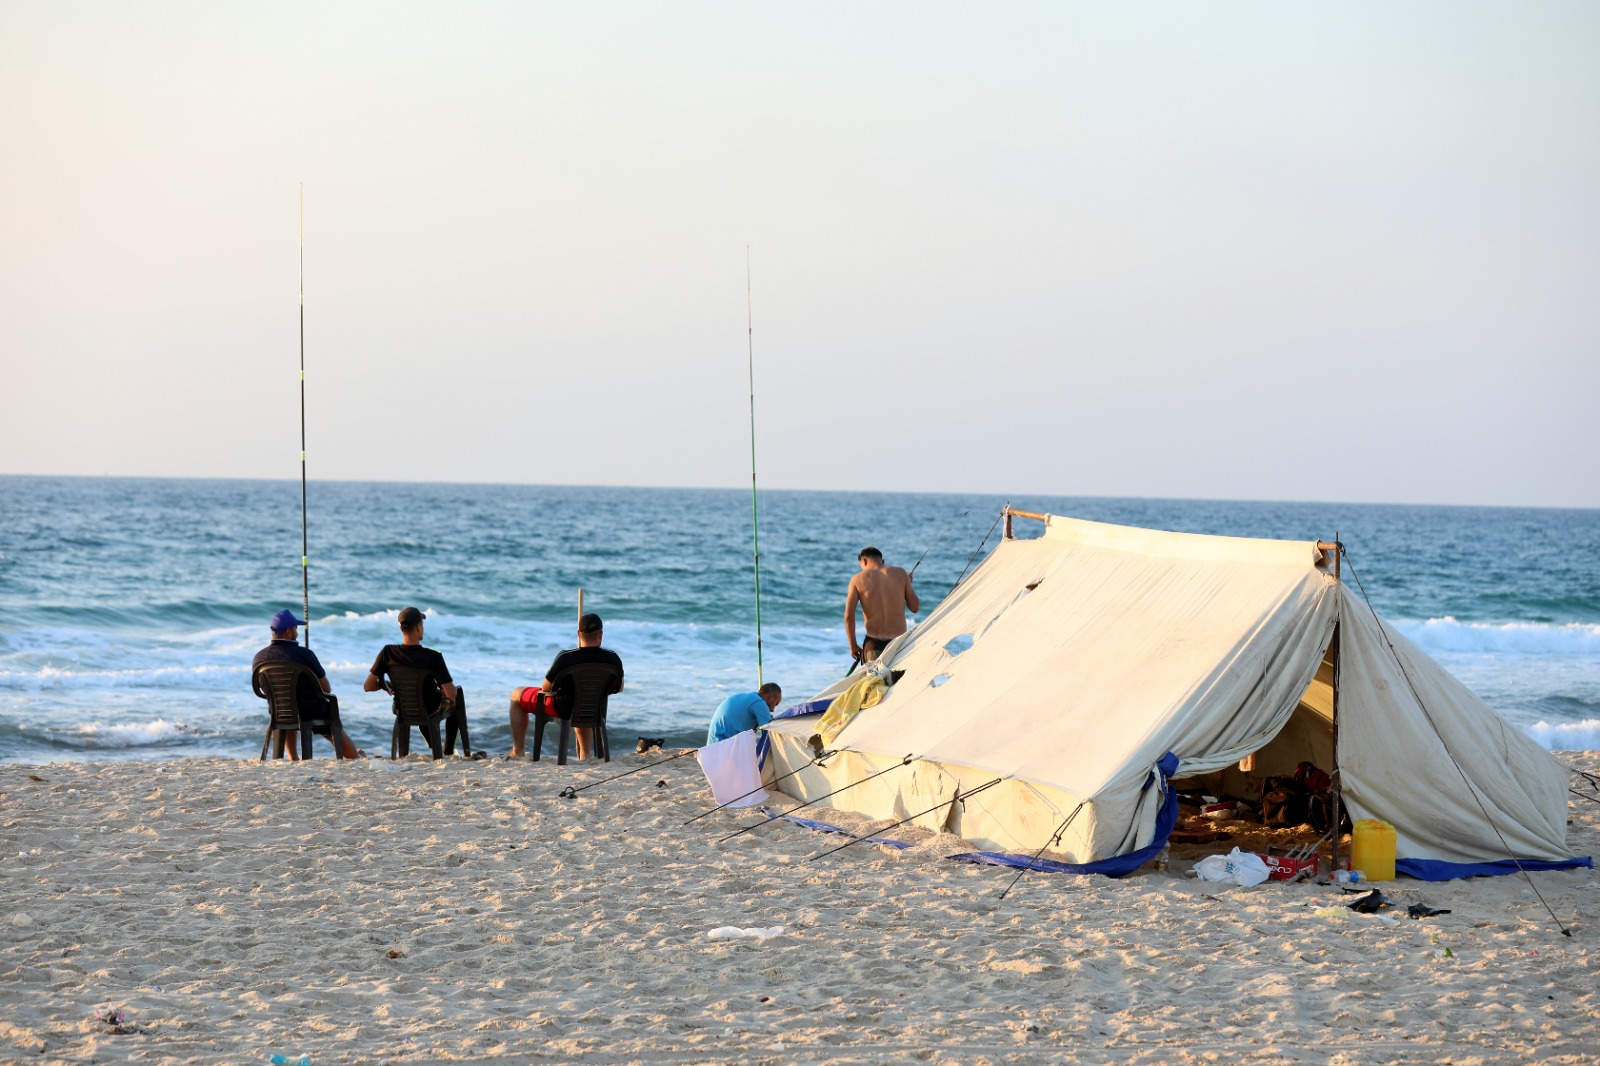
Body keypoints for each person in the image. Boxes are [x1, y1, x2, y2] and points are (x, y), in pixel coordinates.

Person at [507, 612, 624, 760]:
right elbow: (619, 687)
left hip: (562, 709)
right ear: (600, 634)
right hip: (594, 708)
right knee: (585, 698)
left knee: (516, 694)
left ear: (578, 634)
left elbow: (545, 688)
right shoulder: (613, 659)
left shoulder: (566, 658)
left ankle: (518, 752)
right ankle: (585, 755)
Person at [363, 606, 476, 758]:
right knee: (457, 694)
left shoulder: (387, 652)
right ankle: (448, 750)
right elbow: (451, 694)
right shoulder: (433, 656)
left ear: (401, 628)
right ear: (418, 627)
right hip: (430, 709)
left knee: (423, 699)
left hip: (402, 708)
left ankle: (435, 745)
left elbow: (368, 686)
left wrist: (387, 685)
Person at [251, 608, 361, 759]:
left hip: (279, 711)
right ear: (288, 631)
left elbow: (262, 688)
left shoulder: (259, 657)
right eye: (296, 629)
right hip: (309, 711)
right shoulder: (305, 654)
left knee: (289, 704)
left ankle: (293, 757)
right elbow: (326, 688)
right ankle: (353, 757)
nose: (297, 633)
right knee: (329, 714)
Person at [844, 546, 920, 664]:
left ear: (864, 561)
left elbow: (849, 616)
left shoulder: (857, 580)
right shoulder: (901, 573)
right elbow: (915, 608)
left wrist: (853, 645)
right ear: (882, 561)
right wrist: (908, 584)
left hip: (874, 645)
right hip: (900, 644)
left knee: (874, 677)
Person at [706, 683, 782, 745]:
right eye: (776, 703)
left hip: (713, 745)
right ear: (771, 697)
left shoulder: (747, 697)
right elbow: (770, 730)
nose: (773, 709)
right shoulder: (759, 702)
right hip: (725, 746)